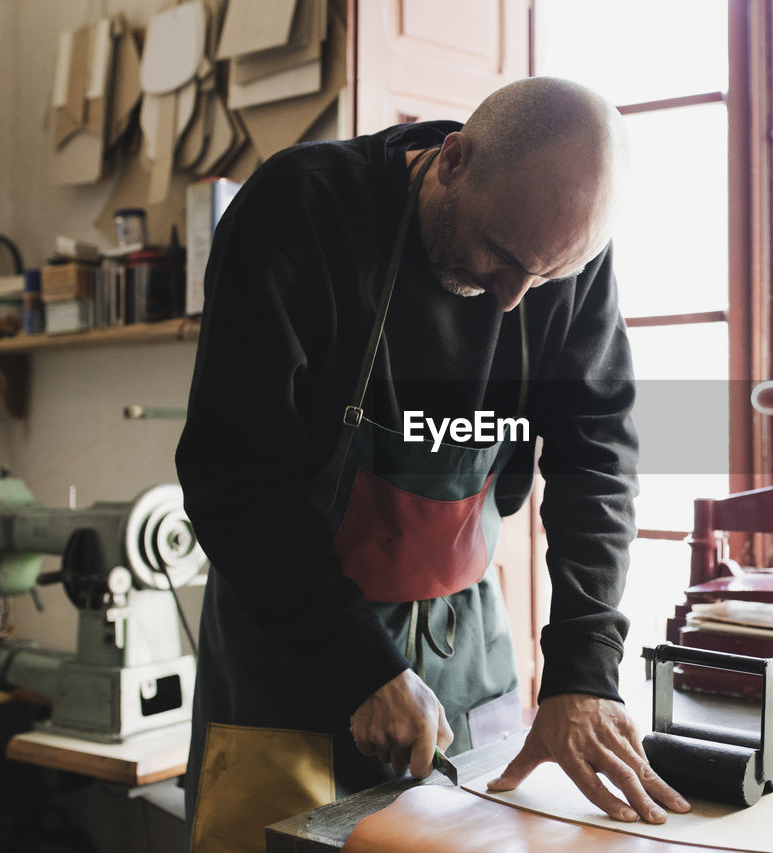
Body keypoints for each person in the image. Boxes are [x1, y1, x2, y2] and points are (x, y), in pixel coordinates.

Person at [175, 76, 689, 852]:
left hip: (463, 650)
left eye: (545, 277)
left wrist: (584, 665)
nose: (513, 296)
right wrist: (361, 665)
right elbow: (231, 479)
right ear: (451, 159)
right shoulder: (301, 212)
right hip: (290, 651)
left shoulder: (564, 256)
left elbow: (598, 457)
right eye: (502, 255)